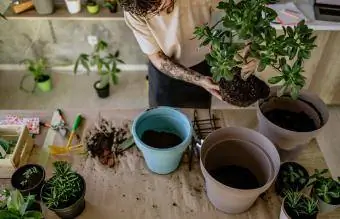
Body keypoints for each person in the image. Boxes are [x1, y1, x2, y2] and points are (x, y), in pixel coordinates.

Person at [120, 0, 257, 108]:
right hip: (164, 72)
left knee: (200, 111)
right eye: (155, 9)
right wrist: (199, 80)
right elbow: (156, 56)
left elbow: (239, 11)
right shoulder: (133, 11)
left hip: (203, 62)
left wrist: (250, 47)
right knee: (163, 115)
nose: (165, 5)